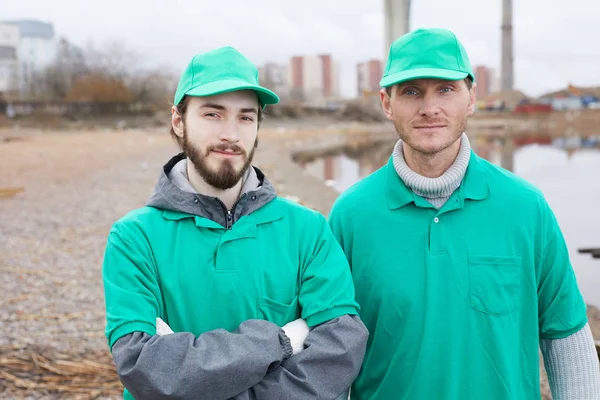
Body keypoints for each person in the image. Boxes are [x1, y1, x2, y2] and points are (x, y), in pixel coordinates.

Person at [328, 28, 600, 399]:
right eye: (411, 91)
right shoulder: (351, 216)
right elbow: (331, 353)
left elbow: (564, 334)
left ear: (471, 98)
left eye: (445, 89)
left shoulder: (525, 208)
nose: (429, 108)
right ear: (386, 102)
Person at [102, 46, 368, 400]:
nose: (231, 134)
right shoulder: (134, 238)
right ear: (179, 121)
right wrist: (283, 341)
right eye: (213, 114)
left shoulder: (308, 231)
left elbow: (339, 350)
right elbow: (143, 365)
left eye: (245, 117)